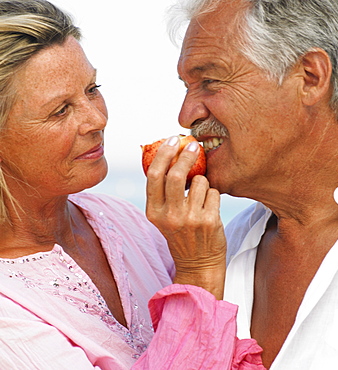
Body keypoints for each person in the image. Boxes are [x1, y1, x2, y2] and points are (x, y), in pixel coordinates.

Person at [0, 0, 265, 368]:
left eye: (93, 89)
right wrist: (198, 272)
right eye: (60, 110)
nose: (97, 119)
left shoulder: (120, 220)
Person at [145, 0, 338, 368]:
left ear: (310, 77)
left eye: (210, 81)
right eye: (187, 87)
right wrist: (198, 279)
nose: (187, 115)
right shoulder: (222, 250)